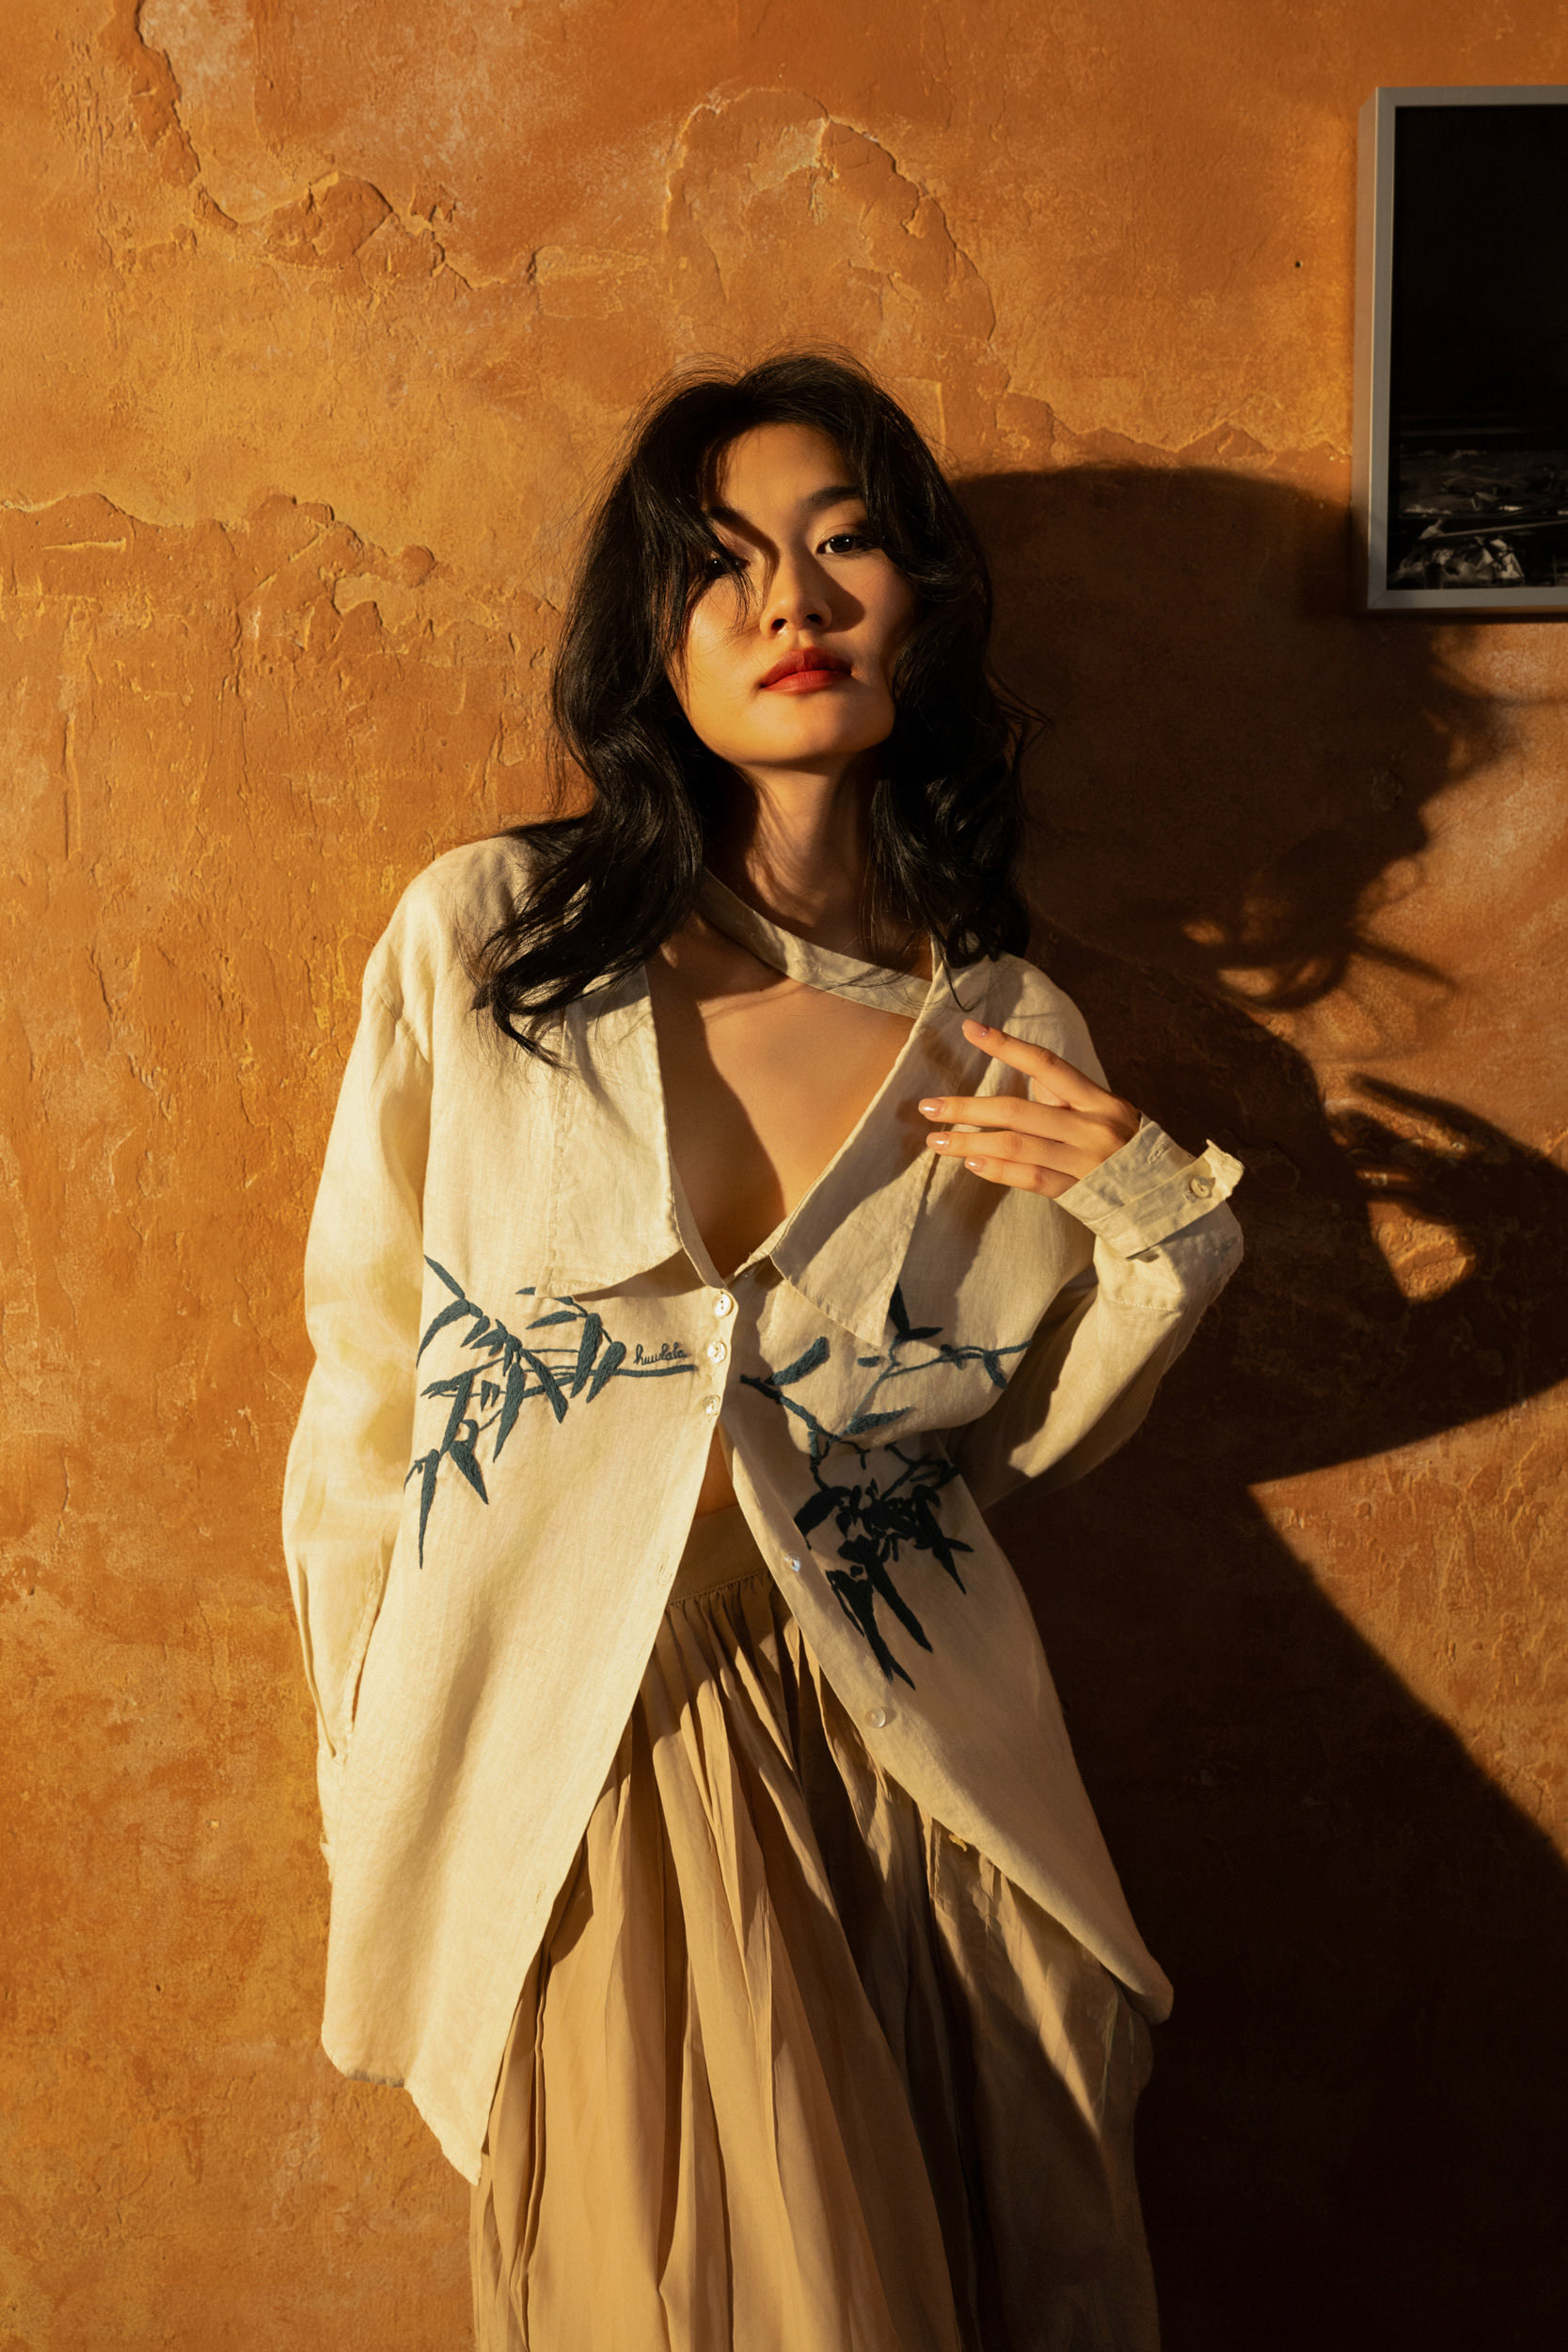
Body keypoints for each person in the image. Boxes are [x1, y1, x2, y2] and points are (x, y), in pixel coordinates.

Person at [281, 350, 1244, 2351]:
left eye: (845, 542)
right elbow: (368, 1387)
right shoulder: (492, 947)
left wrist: (1164, 1224)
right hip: (603, 1748)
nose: (792, 601)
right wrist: (381, 1764)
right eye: (720, 563)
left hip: (915, 1767)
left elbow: (1005, 1455)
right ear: (652, 640)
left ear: (922, 601)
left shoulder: (1005, 1030)